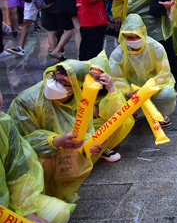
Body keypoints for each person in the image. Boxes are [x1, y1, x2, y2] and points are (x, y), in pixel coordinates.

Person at [7, 61, 104, 202]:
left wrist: (91, 143)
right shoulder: (26, 101)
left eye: (63, 83)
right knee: (46, 162)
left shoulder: (81, 100)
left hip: (66, 148)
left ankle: (59, 194)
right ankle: (37, 199)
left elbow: (87, 130)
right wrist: (54, 141)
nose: (53, 84)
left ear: (76, 87)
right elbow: (20, 142)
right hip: (36, 156)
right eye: (53, 77)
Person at [0, 90, 74, 223]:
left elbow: (19, 172)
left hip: (5, 207)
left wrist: (29, 215)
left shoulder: (3, 123)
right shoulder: (29, 101)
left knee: (58, 213)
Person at [108, 14, 177, 126]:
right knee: (114, 96)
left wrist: (149, 90)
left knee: (167, 94)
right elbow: (116, 77)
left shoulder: (156, 47)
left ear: (143, 33)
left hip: (155, 88)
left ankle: (161, 113)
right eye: (130, 37)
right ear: (123, 36)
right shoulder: (118, 53)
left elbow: (164, 73)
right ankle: (132, 114)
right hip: (131, 90)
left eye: (137, 36)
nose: (135, 40)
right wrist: (127, 92)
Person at [88, 52, 133, 162]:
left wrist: (110, 89)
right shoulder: (75, 88)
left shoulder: (110, 90)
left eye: (98, 78)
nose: (93, 81)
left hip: (96, 128)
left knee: (119, 120)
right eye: (90, 76)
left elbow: (115, 114)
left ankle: (103, 147)